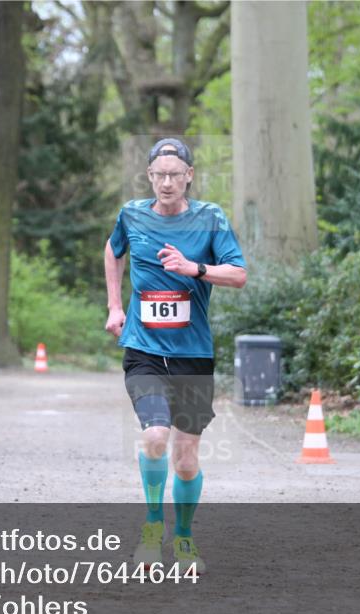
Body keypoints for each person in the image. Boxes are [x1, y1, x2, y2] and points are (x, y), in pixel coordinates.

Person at [104, 138, 247, 575]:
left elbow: (238, 274)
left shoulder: (210, 219)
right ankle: (152, 531)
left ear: (189, 176)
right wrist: (114, 305)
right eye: (158, 175)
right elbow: (113, 251)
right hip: (144, 349)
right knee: (154, 437)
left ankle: (183, 537)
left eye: (174, 174)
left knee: (186, 459)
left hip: (193, 355)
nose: (166, 182)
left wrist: (195, 269)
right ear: (149, 177)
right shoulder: (131, 214)